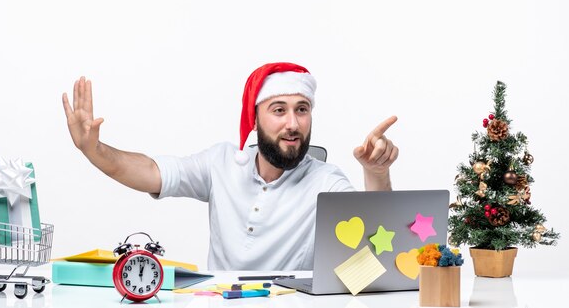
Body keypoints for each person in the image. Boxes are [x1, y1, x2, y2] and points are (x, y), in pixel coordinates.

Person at [62, 62, 398, 270]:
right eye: (279, 110)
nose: (293, 124)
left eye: (302, 109)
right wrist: (94, 150)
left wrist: (377, 173)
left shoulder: (325, 181)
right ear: (255, 119)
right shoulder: (221, 163)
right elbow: (150, 172)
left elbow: (380, 243)